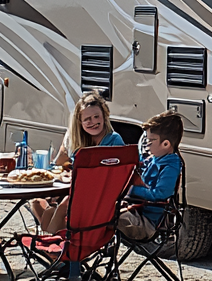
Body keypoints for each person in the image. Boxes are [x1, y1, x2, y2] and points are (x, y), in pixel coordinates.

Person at [30, 91, 125, 234]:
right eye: (87, 119)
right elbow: (64, 166)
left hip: (101, 197)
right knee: (37, 202)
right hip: (76, 189)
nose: (93, 122)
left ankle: (52, 243)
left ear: (104, 116)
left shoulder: (113, 141)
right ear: (79, 122)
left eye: (96, 117)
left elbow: (114, 176)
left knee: (64, 204)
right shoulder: (80, 141)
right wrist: (67, 172)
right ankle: (54, 238)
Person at [116, 110, 184, 242]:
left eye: (150, 141)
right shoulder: (154, 159)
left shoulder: (170, 167)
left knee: (106, 217)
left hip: (148, 223)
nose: (146, 145)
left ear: (166, 144)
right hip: (135, 211)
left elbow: (160, 194)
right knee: (99, 210)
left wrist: (132, 190)